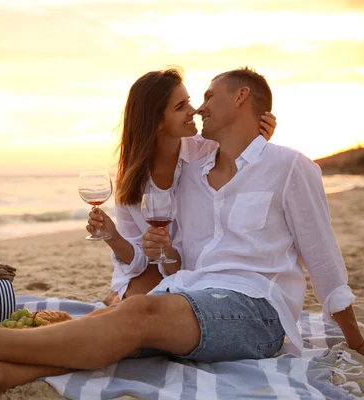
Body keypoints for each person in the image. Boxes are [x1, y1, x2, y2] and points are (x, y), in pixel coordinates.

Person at [0, 68, 364, 398]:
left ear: (242, 98)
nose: (199, 108)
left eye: (208, 97)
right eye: (191, 103)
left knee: (139, 312)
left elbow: (323, 257)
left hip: (257, 309)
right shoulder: (194, 170)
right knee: (112, 336)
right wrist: (165, 254)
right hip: (193, 292)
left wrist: (353, 338)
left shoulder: (291, 166)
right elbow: (179, 260)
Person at [85, 68, 276, 304]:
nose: (194, 111)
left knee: (140, 306)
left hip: (197, 267)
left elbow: (244, 172)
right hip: (153, 269)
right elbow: (138, 260)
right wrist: (111, 235)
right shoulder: (132, 177)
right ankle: (118, 299)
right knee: (136, 302)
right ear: (155, 122)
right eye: (180, 107)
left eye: (188, 102)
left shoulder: (206, 150)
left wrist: (258, 139)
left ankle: (117, 301)